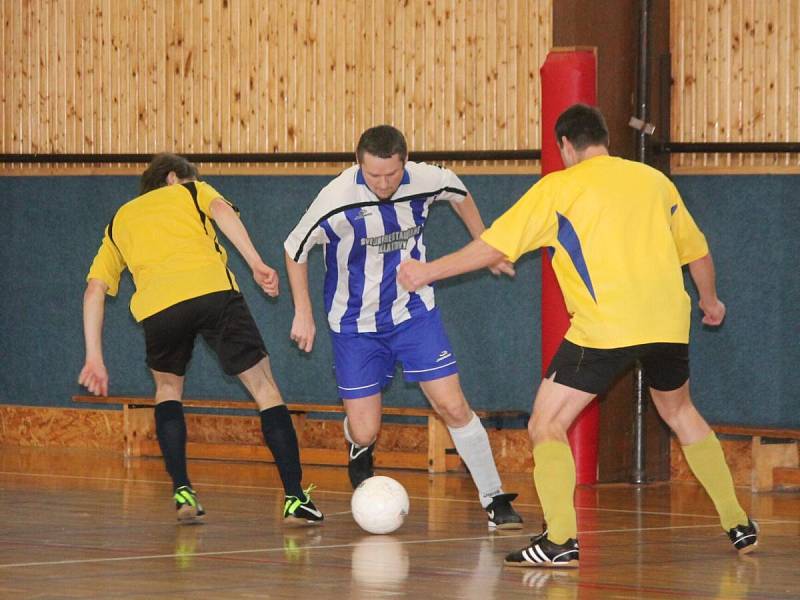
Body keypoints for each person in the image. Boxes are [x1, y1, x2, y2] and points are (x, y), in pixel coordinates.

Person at [398, 104, 757, 567]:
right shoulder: (654, 181)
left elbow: (493, 245)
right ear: (604, 139)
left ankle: (560, 540)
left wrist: (428, 271)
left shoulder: (560, 187)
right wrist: (711, 302)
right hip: (668, 322)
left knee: (545, 424)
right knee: (681, 412)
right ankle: (737, 521)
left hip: (604, 328)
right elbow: (697, 251)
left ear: (565, 145)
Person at [284, 125, 523, 529]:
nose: (382, 183)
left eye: (391, 175)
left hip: (413, 314)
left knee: (451, 404)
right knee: (364, 430)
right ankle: (360, 448)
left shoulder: (427, 179)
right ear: (358, 164)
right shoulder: (335, 199)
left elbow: (460, 192)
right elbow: (294, 250)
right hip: (353, 325)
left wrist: (484, 243)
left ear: (405, 163)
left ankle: (494, 498)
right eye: (373, 175)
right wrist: (303, 312)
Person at [78, 153, 323, 526]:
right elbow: (223, 211)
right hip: (212, 291)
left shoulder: (120, 219)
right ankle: (294, 498)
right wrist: (256, 263)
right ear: (174, 177)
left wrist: (94, 356)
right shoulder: (191, 189)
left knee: (167, 388)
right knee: (264, 387)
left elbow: (95, 290)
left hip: (159, 308)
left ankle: (182, 489)